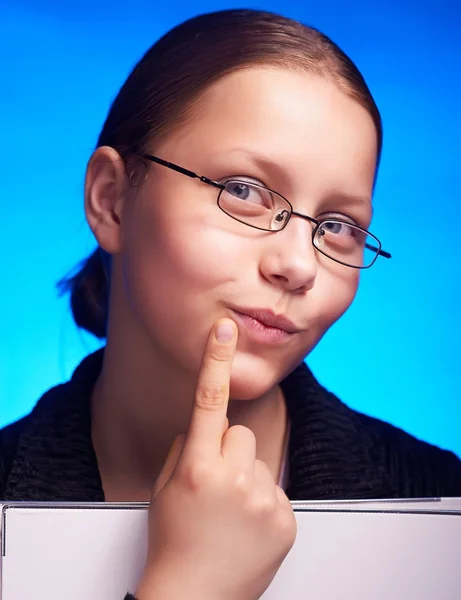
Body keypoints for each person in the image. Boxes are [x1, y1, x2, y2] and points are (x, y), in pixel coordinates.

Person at [1, 8, 461, 600]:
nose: (298, 265)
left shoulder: (439, 503)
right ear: (112, 200)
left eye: (339, 224)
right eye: (243, 191)